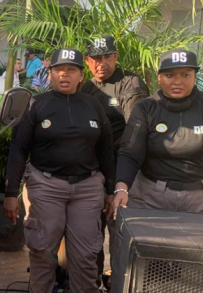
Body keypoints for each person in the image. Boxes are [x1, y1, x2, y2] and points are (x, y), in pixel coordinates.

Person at [4, 48, 114, 293]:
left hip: (87, 188)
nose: (64, 74)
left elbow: (106, 149)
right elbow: (18, 150)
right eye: (58, 70)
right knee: (43, 252)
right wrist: (10, 193)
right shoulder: (35, 104)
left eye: (71, 70)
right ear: (50, 74)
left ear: (81, 76)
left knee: (86, 256)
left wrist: (110, 189)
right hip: (46, 185)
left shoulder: (93, 105)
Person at [112, 49, 203, 216]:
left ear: (195, 76)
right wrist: (122, 188)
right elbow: (130, 151)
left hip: (201, 199)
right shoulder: (146, 108)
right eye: (169, 75)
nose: (177, 81)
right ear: (159, 77)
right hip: (150, 197)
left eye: (185, 75)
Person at [80, 34, 148, 285]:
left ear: (116, 57)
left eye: (107, 57)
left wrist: (117, 180)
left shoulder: (130, 83)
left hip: (121, 171)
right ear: (87, 61)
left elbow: (135, 131)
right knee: (89, 233)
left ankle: (119, 283)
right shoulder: (86, 88)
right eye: (96, 58)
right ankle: (93, 282)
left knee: (119, 231)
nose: (102, 63)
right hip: (90, 173)